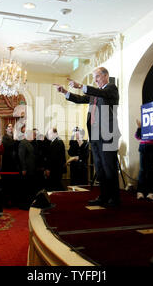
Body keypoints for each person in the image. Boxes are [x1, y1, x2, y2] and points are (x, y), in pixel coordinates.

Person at [54, 67, 121, 208]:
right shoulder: (95, 94)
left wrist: (81, 86)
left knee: (109, 168)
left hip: (107, 134)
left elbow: (99, 92)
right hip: (95, 135)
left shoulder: (111, 89)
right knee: (100, 168)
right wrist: (65, 92)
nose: (95, 80)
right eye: (94, 78)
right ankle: (104, 196)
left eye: (97, 76)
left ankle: (114, 199)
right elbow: (80, 99)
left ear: (105, 76)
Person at [134, 119, 153, 200]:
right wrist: (139, 127)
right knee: (142, 170)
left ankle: (151, 192)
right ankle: (140, 192)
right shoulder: (143, 123)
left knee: (150, 170)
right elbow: (137, 137)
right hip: (143, 146)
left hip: (151, 146)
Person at [18, 130, 37, 209]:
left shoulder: (29, 143)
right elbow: (21, 156)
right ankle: (24, 205)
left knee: (29, 188)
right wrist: (24, 168)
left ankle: (28, 204)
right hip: (26, 170)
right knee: (25, 188)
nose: (34, 137)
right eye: (33, 135)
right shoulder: (23, 143)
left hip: (31, 169)